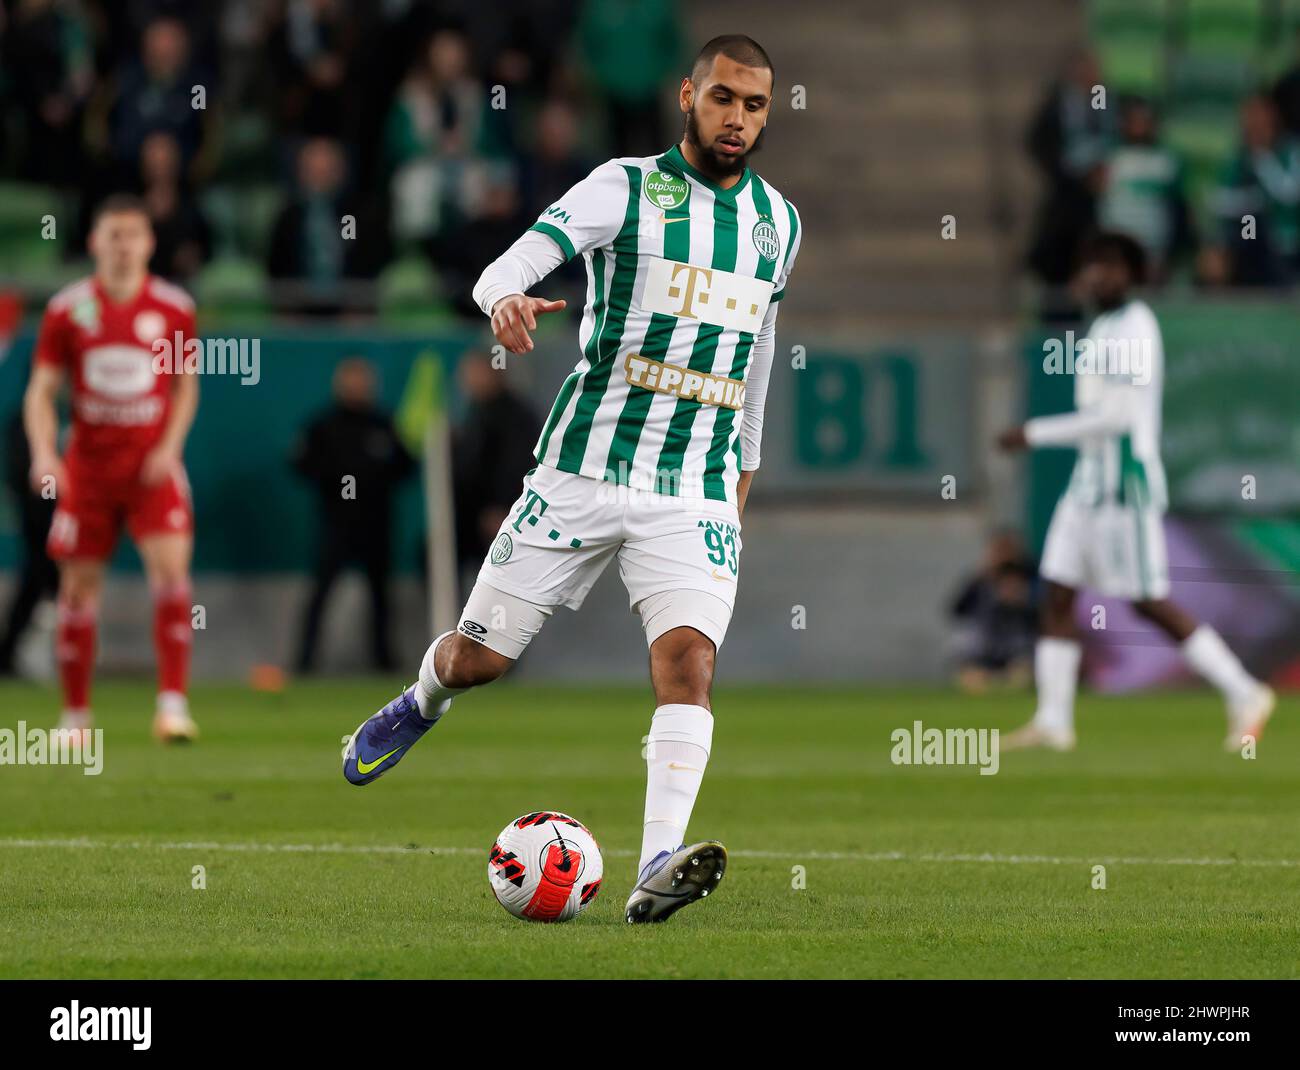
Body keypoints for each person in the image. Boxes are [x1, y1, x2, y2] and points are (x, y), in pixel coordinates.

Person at [342, 35, 800, 925]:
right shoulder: (622, 188)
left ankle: (658, 858)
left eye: (754, 105)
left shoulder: (779, 224)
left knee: (689, 666)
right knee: (482, 661)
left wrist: (745, 464)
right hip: (582, 470)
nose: (738, 118)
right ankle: (420, 699)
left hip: (693, 485)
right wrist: (504, 302)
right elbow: (506, 265)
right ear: (686, 96)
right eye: (723, 99)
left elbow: (760, 353)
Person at [996, 232, 1275, 753]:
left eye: (1112, 266)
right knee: (1056, 591)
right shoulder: (1101, 326)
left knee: (1148, 601)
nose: (1100, 275)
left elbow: (1119, 417)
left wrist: (1034, 434)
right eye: (1092, 266)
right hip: (1087, 484)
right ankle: (1054, 720)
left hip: (1125, 485)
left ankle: (1246, 691)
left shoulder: (1136, 327)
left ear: (1133, 273)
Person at [23, 194, 200, 742]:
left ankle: (171, 707)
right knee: (76, 590)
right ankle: (75, 719)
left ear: (149, 243)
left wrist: (169, 449)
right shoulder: (66, 310)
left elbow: (185, 387)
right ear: (95, 242)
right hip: (89, 472)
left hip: (150, 470)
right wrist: (45, 454)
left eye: (133, 235)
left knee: (171, 578)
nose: (123, 246)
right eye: (113, 235)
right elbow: (42, 390)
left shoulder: (174, 308)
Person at [292, 359, 415, 673]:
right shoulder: (322, 425)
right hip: (336, 524)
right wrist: (334, 480)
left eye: (363, 379)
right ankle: (305, 662)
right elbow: (301, 464)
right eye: (352, 379)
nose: (358, 385)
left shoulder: (385, 424)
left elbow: (406, 466)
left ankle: (384, 662)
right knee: (321, 593)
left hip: (376, 524)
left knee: (381, 598)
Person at [451, 351, 543, 588]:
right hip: (471, 516)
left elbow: (518, 465)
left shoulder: (517, 415)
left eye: (476, 373)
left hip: (504, 516)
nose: (470, 380)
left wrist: (502, 507)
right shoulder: (476, 411)